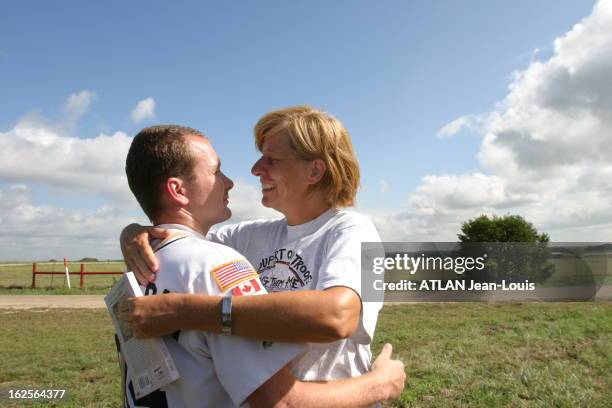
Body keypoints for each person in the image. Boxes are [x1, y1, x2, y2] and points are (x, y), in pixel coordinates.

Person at [120, 124, 404, 407]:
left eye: (272, 159)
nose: (255, 169)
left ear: (314, 172)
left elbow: (340, 315)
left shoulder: (358, 230)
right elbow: (184, 239)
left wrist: (185, 311)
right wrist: (134, 232)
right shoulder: (246, 238)